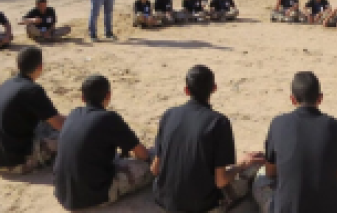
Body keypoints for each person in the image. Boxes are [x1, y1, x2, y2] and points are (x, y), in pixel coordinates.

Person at [151, 65, 265, 212]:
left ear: (186, 90)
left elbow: (155, 169)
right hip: (202, 206)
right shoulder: (219, 122)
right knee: (254, 166)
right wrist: (242, 164)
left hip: (164, 199)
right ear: (214, 88)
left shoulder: (169, 115)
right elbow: (221, 180)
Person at [253, 72, 337, 213]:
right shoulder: (336, 126)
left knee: (260, 178)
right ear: (320, 98)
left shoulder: (278, 123)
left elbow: (270, 172)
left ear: (292, 99)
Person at [54, 75, 152, 210]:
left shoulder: (74, 114)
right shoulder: (109, 119)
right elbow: (142, 154)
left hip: (62, 192)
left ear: (82, 98)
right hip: (93, 196)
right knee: (150, 165)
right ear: (108, 96)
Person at [0, 47, 65, 174]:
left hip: (4, 151)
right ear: (40, 67)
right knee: (73, 138)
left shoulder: (7, 84)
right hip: (16, 162)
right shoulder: (32, 90)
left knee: (46, 123)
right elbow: (60, 123)